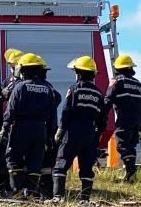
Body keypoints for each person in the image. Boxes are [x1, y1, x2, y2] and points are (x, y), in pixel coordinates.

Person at [48, 56, 106, 206]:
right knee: (86, 167)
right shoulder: (98, 94)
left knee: (61, 163)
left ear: (79, 73)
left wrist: (61, 129)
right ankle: (84, 200)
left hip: (73, 131)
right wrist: (98, 135)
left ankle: (58, 197)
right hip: (90, 133)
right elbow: (103, 119)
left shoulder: (74, 89)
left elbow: (67, 111)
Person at [0, 53, 56, 199]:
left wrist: (4, 128)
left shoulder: (20, 87)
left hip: (21, 128)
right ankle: (32, 194)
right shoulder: (47, 88)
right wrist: (50, 135)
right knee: (35, 159)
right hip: (40, 129)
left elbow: (10, 110)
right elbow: (52, 115)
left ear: (23, 70)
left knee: (13, 158)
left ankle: (16, 192)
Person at [105, 54, 141, 182]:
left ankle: (130, 171)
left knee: (122, 145)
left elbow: (108, 99)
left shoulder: (117, 81)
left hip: (124, 118)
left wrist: (101, 115)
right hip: (137, 120)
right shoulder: (139, 84)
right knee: (130, 146)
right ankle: (130, 175)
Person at [37, 61, 61, 200]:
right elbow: (57, 98)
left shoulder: (42, 86)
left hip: (42, 129)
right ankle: (45, 194)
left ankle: (42, 194)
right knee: (46, 164)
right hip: (48, 128)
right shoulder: (48, 87)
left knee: (42, 163)